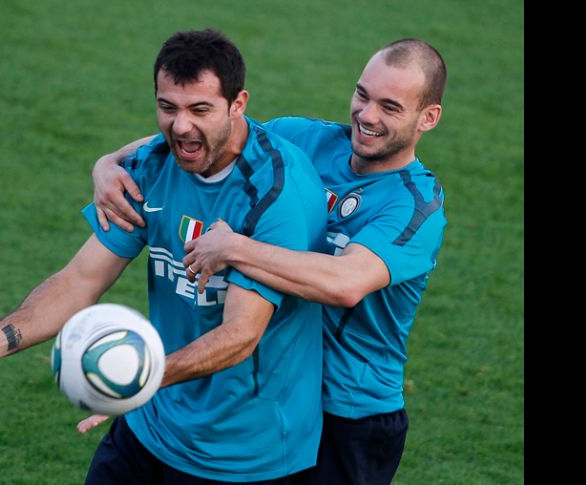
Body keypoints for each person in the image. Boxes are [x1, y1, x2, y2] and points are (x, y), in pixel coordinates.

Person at [0, 29, 330, 484]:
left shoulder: (276, 195)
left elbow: (240, 334)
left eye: (200, 109)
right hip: (151, 424)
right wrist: (2, 338)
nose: (180, 126)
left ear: (238, 104)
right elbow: (80, 280)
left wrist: (141, 379)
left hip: (243, 453)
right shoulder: (152, 167)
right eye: (167, 107)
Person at [89, 38, 448, 484]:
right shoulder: (304, 140)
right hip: (281, 394)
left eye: (390, 107)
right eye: (362, 95)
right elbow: (213, 131)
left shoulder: (415, 205)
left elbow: (345, 282)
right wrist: (110, 162)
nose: (367, 115)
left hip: (351, 409)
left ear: (428, 117)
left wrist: (236, 247)